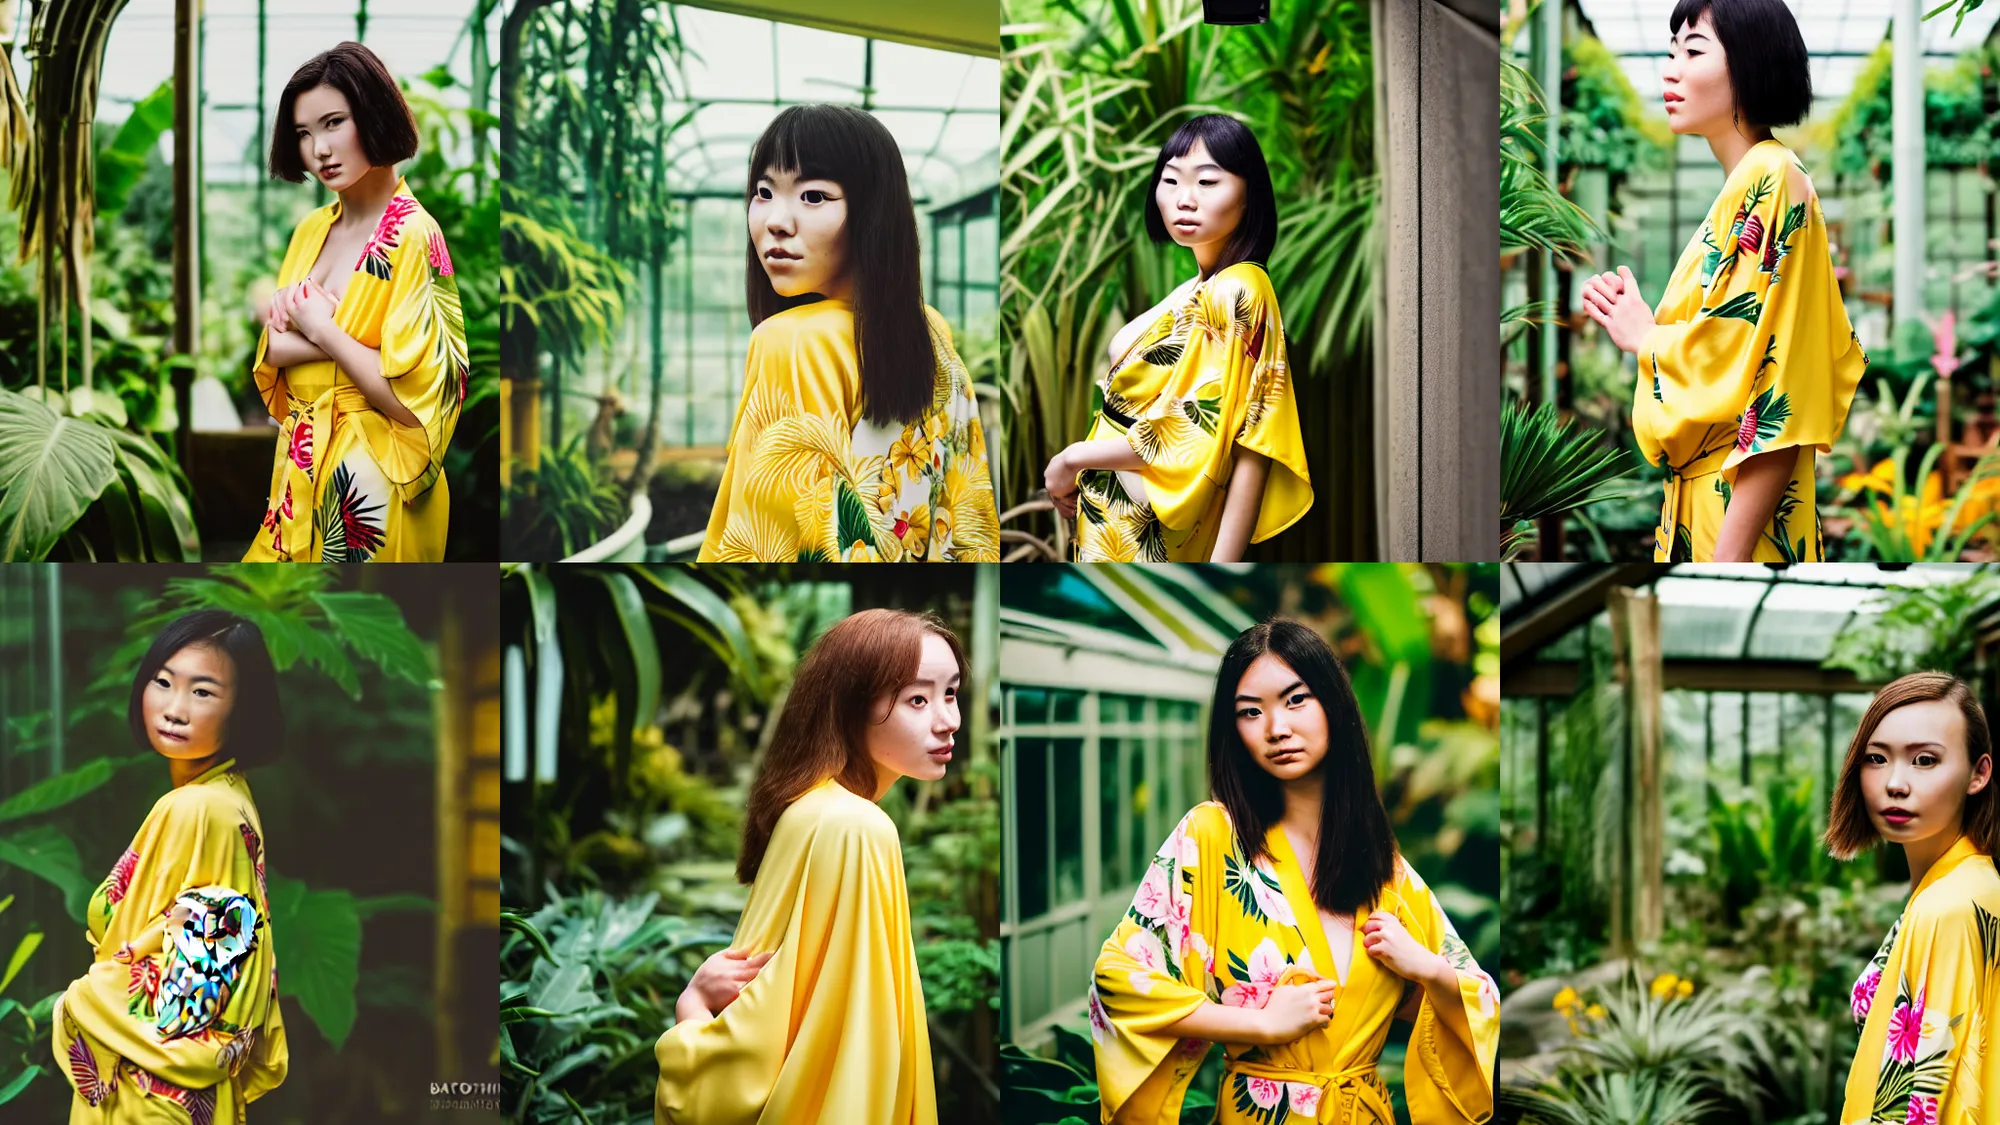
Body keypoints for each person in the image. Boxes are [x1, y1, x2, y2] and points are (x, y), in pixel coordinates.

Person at [1091, 620, 1496, 1123]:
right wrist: (1259, 1025)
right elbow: (1118, 982)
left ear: (1333, 703)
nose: (1276, 728)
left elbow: (1479, 996)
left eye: (1296, 700)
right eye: (1250, 712)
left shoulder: (1383, 865)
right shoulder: (1212, 836)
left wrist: (1429, 969)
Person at [655, 609, 962, 1124]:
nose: (948, 719)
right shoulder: (856, 826)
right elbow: (835, 1039)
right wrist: (691, 1008)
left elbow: (783, 1017)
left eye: (950, 693)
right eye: (917, 699)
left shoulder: (811, 810)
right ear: (850, 710)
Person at [1581, 0, 1862, 562]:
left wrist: (1648, 338)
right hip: (1706, 508)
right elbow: (1741, 357)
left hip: (1730, 516)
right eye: (1669, 52)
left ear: (1751, 64)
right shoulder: (1751, 184)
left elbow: (1780, 396)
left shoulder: (1770, 178)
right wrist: (1651, 329)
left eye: (1693, 51)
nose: (1670, 69)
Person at [698, 105, 999, 562]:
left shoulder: (793, 341)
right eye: (764, 192)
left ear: (871, 213)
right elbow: (972, 509)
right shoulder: (930, 327)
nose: (777, 221)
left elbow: (772, 546)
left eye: (814, 196)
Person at [52, 611, 288, 1122]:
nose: (175, 709)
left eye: (202, 692)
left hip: (149, 1088)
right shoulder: (230, 796)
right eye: (163, 682)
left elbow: (199, 967)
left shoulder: (196, 809)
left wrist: (77, 1001)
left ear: (242, 711)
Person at [1043, 114, 1310, 563]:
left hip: (1153, 526)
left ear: (1250, 196)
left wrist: (1072, 458)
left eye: (1208, 181)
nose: (1185, 199)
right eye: (1170, 180)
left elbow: (1238, 443)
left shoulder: (1238, 290)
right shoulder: (1202, 284)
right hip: (1117, 512)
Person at [247, 41, 467, 562]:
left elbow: (416, 407)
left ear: (372, 115)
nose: (318, 148)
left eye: (333, 123)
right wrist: (353, 347)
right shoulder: (309, 231)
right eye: (303, 133)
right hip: (301, 471)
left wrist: (320, 329)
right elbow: (273, 351)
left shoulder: (414, 235)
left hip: (371, 484)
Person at [1827, 672, 2000, 1119]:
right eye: (1876, 758)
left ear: (1978, 774)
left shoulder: (1950, 906)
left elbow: (1920, 1100)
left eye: (1924, 760)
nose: (1895, 783)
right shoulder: (1970, 884)